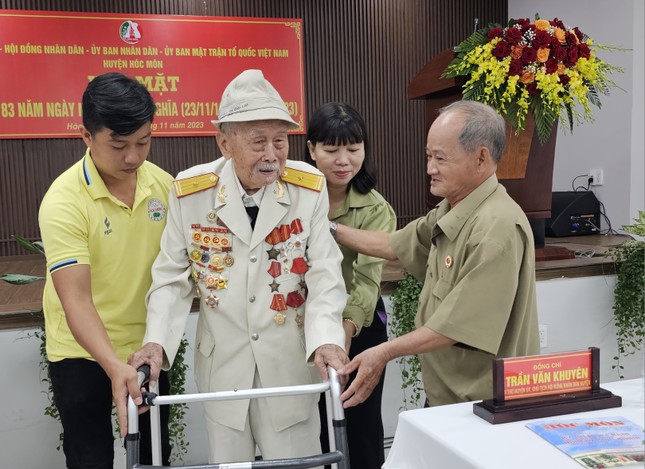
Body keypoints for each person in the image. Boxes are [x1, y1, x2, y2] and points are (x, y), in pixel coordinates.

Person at [129, 69, 348, 465]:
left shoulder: (308, 189)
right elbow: (171, 278)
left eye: (279, 141)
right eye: (258, 142)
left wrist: (327, 338)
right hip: (223, 370)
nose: (272, 155)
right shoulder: (191, 192)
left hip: (288, 367)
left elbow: (325, 273)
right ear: (225, 143)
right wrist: (156, 342)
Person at [335, 100, 540, 409]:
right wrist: (326, 229)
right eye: (429, 156)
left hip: (486, 404)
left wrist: (383, 352)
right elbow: (393, 245)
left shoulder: (495, 227)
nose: (430, 168)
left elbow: (452, 327)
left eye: (440, 158)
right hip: (449, 397)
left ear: (481, 157)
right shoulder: (453, 207)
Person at [38, 72, 172, 468]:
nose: (133, 157)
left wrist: (155, 348)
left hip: (145, 349)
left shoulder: (163, 187)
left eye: (143, 142)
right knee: (89, 457)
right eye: (118, 145)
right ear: (86, 136)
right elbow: (75, 297)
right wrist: (111, 366)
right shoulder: (64, 201)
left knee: (151, 455)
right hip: (80, 353)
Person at [304, 102, 396, 469]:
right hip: (306, 329)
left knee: (359, 426)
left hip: (359, 330)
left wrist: (342, 334)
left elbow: (367, 280)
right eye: (331, 150)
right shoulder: (294, 198)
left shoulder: (375, 209)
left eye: (354, 149)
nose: (344, 160)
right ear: (311, 149)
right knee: (314, 426)